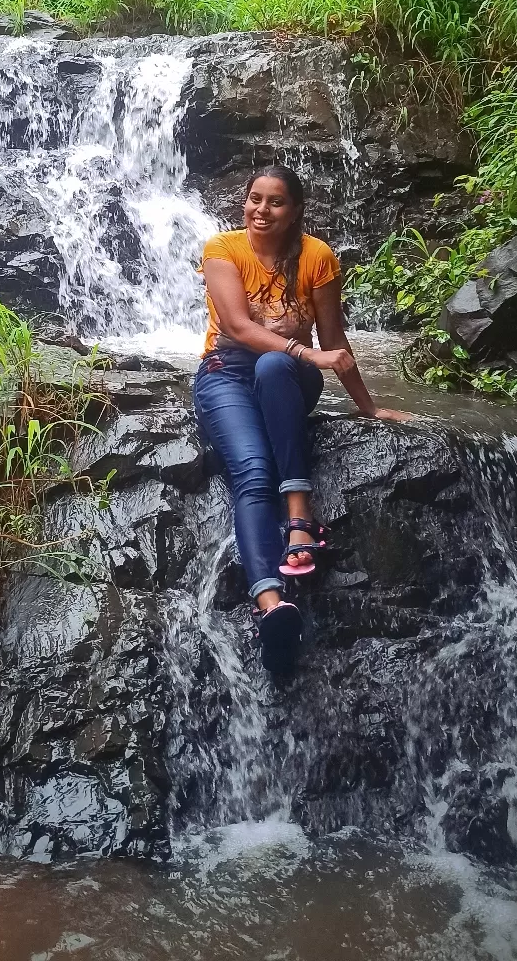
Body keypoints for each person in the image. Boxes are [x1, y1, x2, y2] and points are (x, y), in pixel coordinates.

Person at [193, 165, 412, 675]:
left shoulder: (317, 257)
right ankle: (272, 606)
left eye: (275, 202)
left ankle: (299, 516)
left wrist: (369, 408)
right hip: (225, 374)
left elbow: (334, 339)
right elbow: (238, 327)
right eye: (254, 199)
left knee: (274, 366)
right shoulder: (222, 250)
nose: (260, 211)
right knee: (250, 469)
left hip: (289, 376)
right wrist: (305, 351)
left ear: (295, 211)